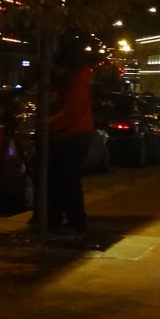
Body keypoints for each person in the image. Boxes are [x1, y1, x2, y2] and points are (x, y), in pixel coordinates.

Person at [44, 39, 95, 232]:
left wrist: (47, 125)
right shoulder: (72, 79)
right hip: (68, 133)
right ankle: (61, 219)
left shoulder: (76, 80)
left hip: (73, 134)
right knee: (61, 179)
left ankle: (73, 221)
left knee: (66, 179)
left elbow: (71, 113)